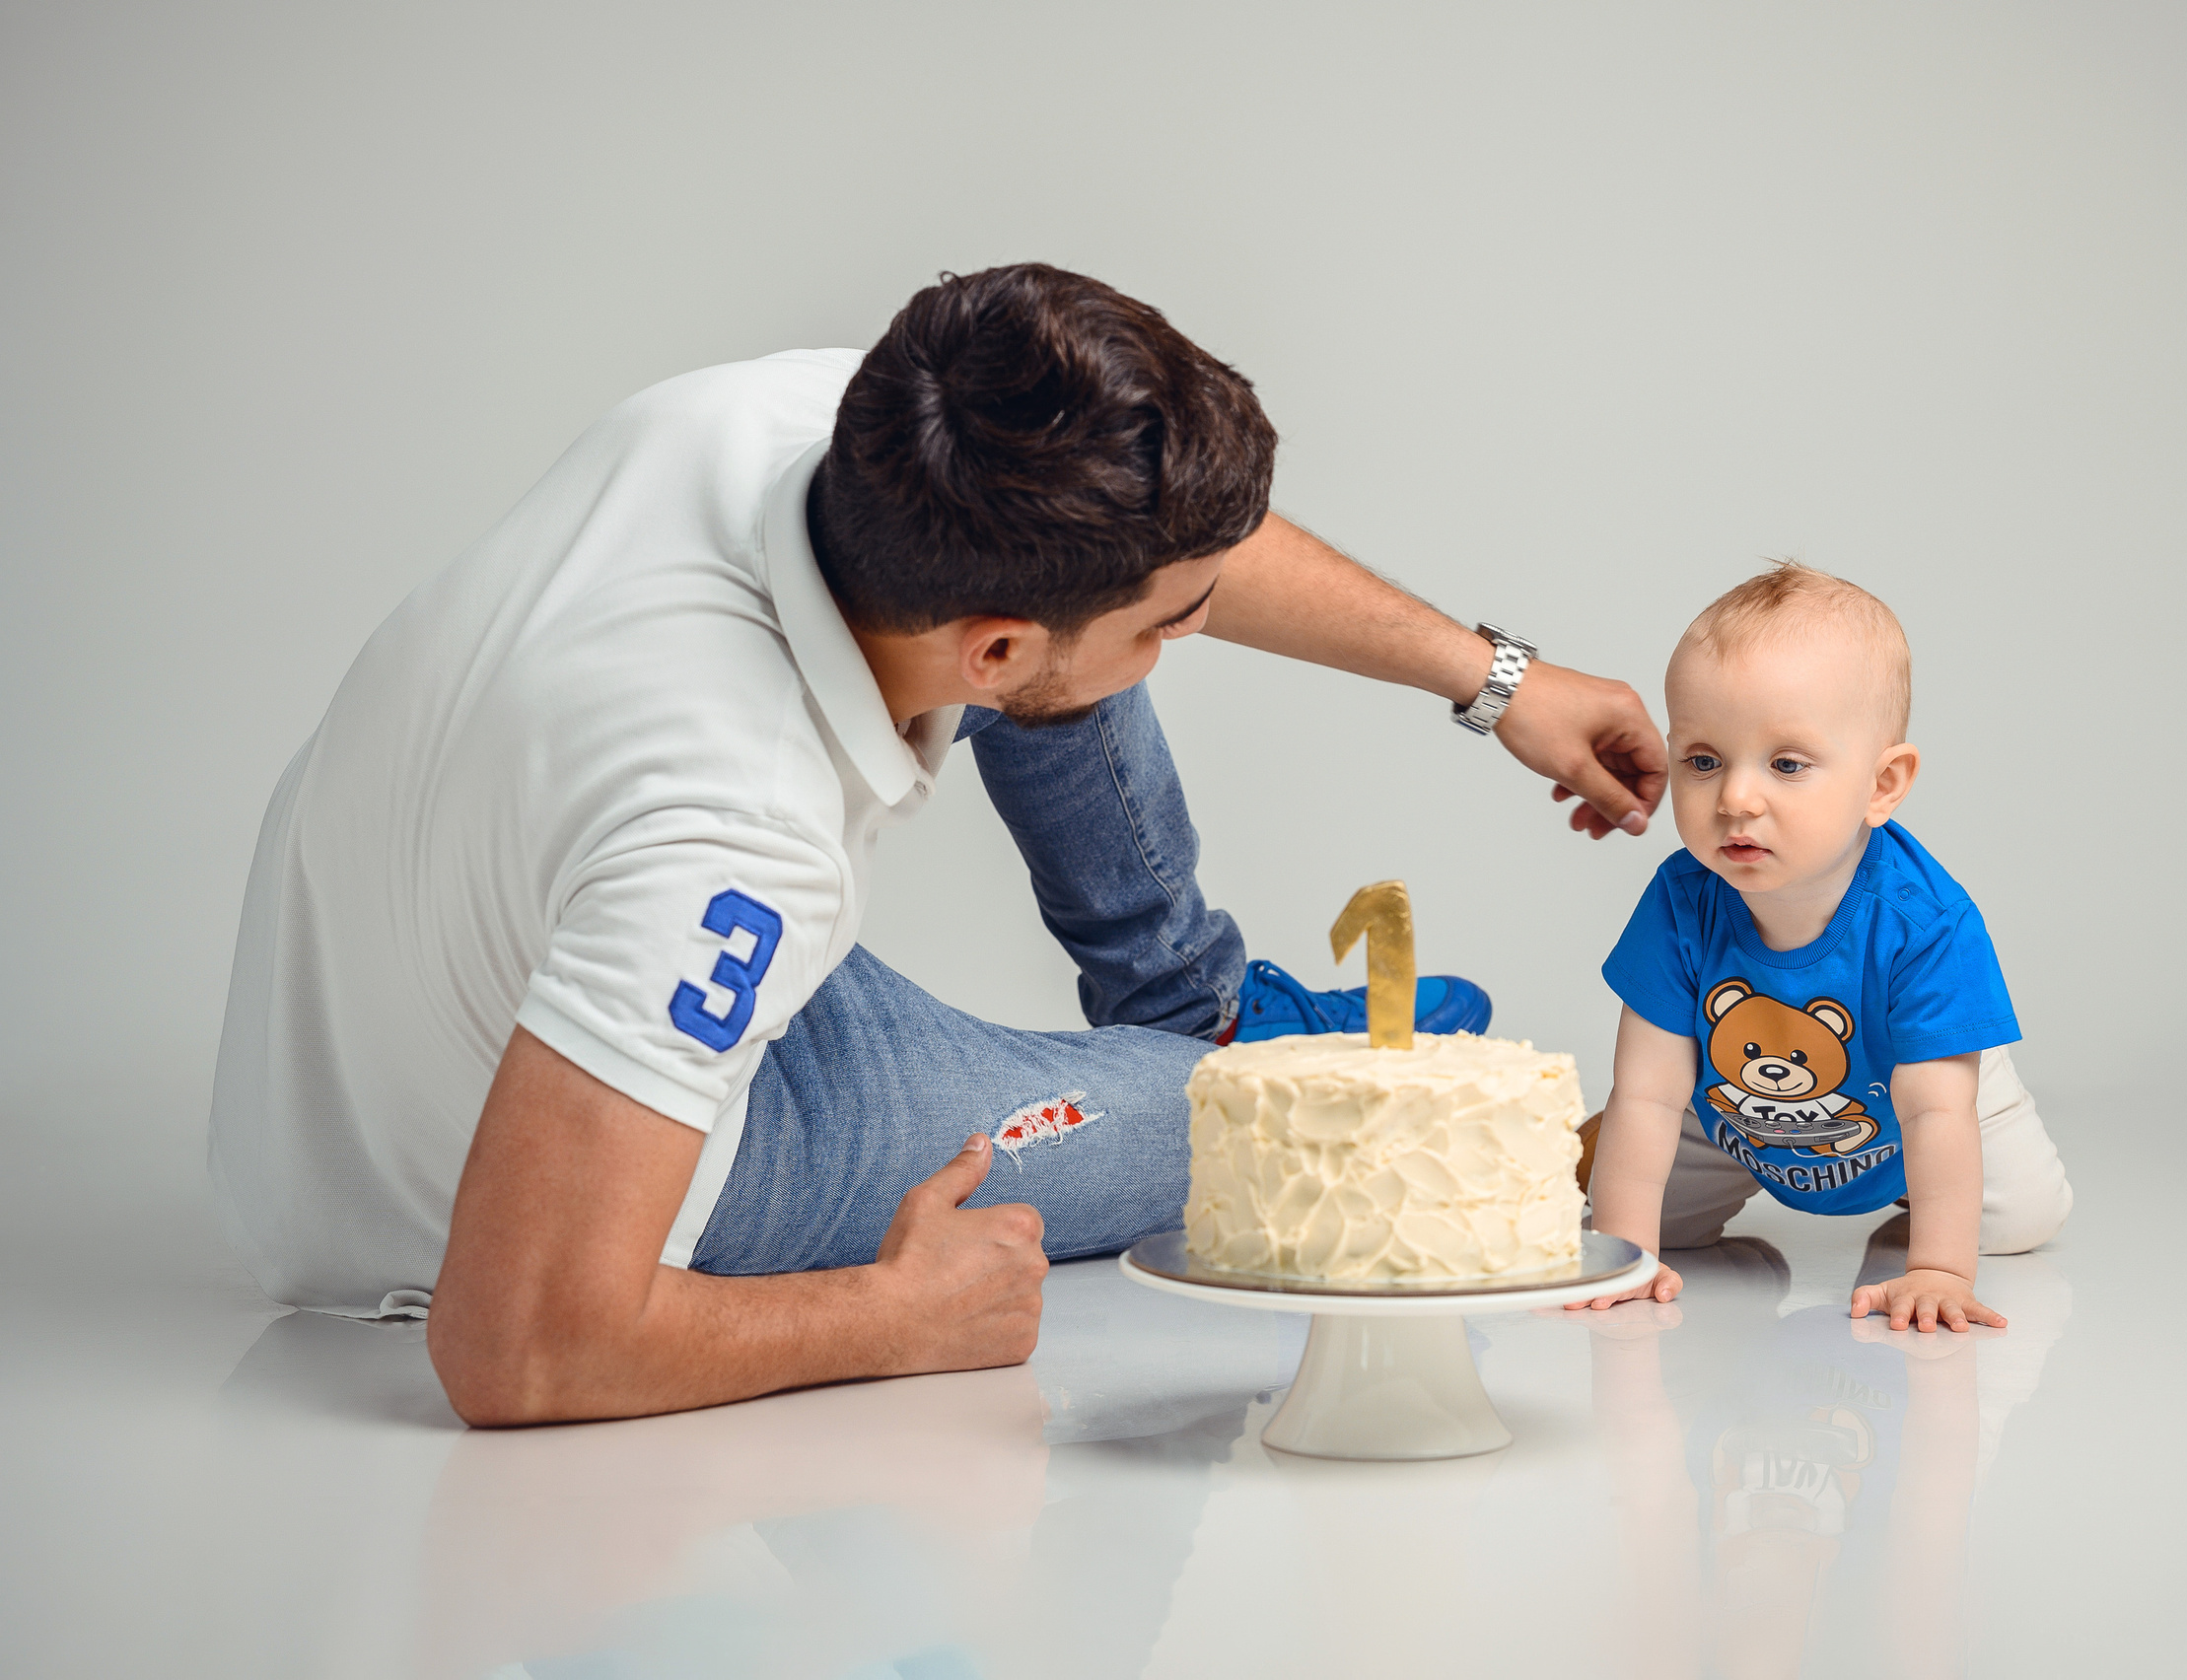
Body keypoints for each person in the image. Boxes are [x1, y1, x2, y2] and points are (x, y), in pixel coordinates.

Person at [207, 263, 1668, 1425]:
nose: (1192, 635)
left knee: (1093, 628)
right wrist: (889, 1318)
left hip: (474, 928)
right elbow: (516, 1342)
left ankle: (1191, 987)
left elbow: (1174, 548)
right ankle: (1215, 1051)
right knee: (1241, 1123)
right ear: (990, 649)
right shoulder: (735, 839)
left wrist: (1493, 678)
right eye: (1178, 624)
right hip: (532, 1174)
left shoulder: (816, 423)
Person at [1572, 562, 2072, 1327]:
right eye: (1703, 761)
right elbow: (1646, 1090)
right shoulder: (1681, 901)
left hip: (1916, 1086)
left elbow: (1936, 1114)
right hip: (1729, 1102)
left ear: (1883, 785)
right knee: (1643, 1220)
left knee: (2021, 1220)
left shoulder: (1924, 922)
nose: (1736, 798)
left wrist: (1937, 1269)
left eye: (1787, 765)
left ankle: (1931, 1171)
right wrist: (1628, 1256)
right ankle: (1578, 1149)